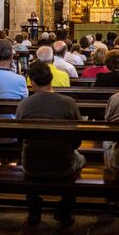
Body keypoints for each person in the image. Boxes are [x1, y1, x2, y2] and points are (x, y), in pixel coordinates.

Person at [16, 61, 85, 226]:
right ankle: (65, 208)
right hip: (64, 166)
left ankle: (33, 207)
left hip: (31, 166)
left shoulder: (24, 104)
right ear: (51, 78)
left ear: (32, 82)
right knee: (81, 158)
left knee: (29, 153)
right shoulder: (69, 103)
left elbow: (20, 138)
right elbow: (77, 140)